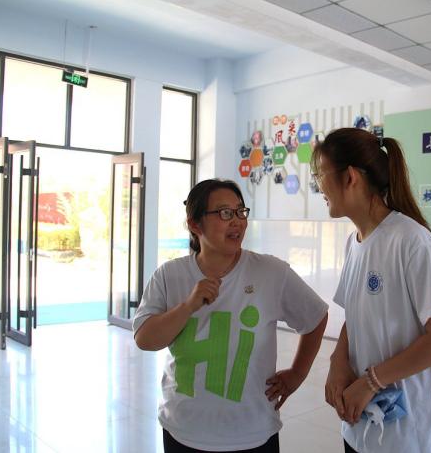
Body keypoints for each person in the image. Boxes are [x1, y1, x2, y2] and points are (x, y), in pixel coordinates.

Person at [134, 179, 328, 453]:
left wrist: (297, 373)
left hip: (253, 431)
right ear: (195, 224)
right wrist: (188, 306)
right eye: (225, 213)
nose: (237, 221)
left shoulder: (271, 272)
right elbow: (144, 339)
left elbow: (315, 317)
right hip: (183, 429)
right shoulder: (169, 275)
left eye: (240, 211)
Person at [311, 128, 431, 453]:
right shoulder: (354, 243)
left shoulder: (411, 240)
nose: (318, 186)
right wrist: (338, 361)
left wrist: (372, 381)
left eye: (320, 174)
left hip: (409, 435)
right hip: (361, 424)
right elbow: (356, 317)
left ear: (350, 177)